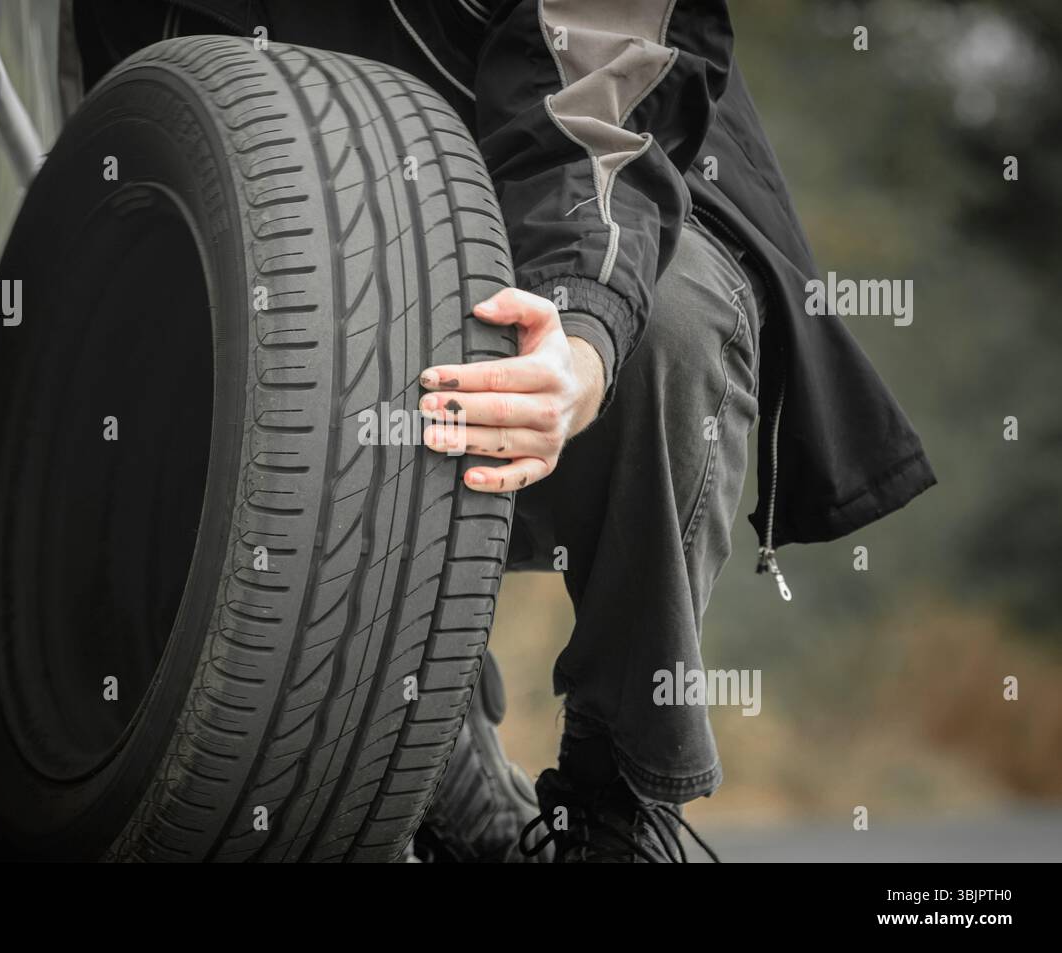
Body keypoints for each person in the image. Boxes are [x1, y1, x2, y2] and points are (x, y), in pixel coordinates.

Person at [73, 0, 936, 862]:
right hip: (308, 251)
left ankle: (614, 807)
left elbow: (599, 74)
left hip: (590, 185)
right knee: (158, 394)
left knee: (664, 326)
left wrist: (586, 320)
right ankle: (425, 758)